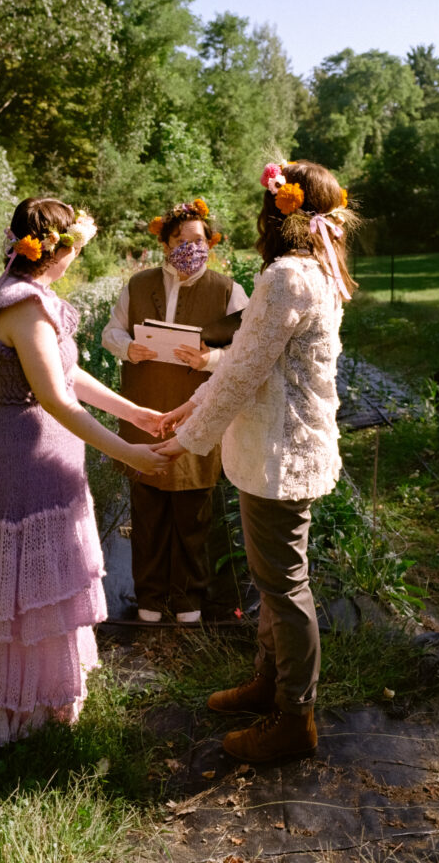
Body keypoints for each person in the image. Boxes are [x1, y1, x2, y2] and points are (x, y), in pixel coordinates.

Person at [0, 197, 170, 746]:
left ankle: (41, 689)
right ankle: (10, 706)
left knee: (36, 581)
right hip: (21, 458)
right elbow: (57, 399)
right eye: (73, 250)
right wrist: (128, 453)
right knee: (16, 589)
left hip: (43, 454)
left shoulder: (25, 291)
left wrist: (136, 414)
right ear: (52, 251)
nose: (75, 261)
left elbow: (68, 372)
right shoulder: (26, 307)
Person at [158, 161, 358, 764]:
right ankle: (270, 682)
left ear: (280, 211)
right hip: (274, 448)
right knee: (273, 581)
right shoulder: (309, 271)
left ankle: (295, 717)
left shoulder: (289, 277)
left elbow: (245, 371)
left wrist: (184, 436)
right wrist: (186, 410)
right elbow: (250, 357)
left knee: (284, 584)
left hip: (281, 453)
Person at [102, 199, 249, 624]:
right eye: (182, 240)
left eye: (199, 240)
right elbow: (111, 330)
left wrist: (206, 361)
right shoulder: (138, 284)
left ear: (211, 243)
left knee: (193, 511)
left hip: (198, 412)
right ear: (165, 243)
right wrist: (128, 346)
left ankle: (187, 600)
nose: (191, 247)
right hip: (143, 407)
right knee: (146, 508)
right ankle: (149, 596)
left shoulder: (227, 291)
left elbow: (243, 354)